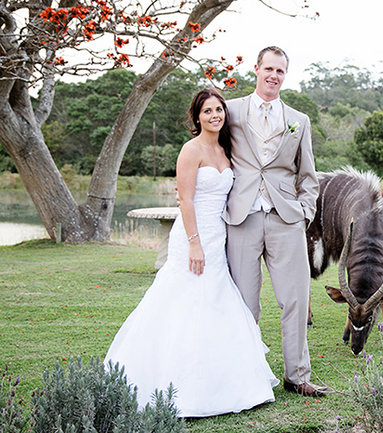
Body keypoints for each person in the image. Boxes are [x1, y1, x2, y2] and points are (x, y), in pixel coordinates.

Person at [105, 88, 279, 417]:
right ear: (197, 117)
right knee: (181, 301)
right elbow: (185, 200)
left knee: (218, 300)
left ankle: (225, 382)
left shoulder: (227, 150)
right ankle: (173, 382)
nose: (215, 116)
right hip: (193, 237)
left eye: (219, 110)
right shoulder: (191, 149)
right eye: (208, 111)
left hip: (219, 236)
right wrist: (195, 243)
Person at [222, 46, 325, 397]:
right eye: (268, 69)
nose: (273, 76)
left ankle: (298, 376)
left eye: (280, 71)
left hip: (286, 220)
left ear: (285, 74)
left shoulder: (300, 119)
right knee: (244, 303)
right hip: (242, 217)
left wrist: (304, 214)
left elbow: (308, 175)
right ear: (256, 69)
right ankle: (245, 373)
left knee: (295, 298)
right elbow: (211, 153)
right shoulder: (231, 111)